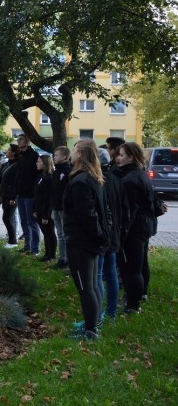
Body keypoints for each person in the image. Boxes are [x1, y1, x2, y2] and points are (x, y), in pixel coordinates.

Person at [63, 141, 110, 340]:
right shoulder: (92, 177)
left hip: (82, 241)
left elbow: (88, 214)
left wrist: (98, 235)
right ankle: (94, 324)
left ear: (80, 154)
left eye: (74, 150)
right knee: (91, 285)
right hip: (89, 240)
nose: (71, 154)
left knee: (86, 287)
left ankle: (91, 331)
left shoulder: (81, 180)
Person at [113, 141, 157, 314]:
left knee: (131, 268)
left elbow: (128, 212)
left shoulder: (131, 180)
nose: (118, 158)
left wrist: (121, 237)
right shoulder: (139, 173)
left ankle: (132, 305)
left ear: (131, 157)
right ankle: (137, 297)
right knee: (139, 265)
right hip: (143, 226)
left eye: (121, 155)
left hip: (135, 229)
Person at [94, 145, 127, 321]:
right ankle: (111, 312)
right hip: (114, 232)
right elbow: (124, 207)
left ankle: (97, 315)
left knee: (100, 274)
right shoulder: (116, 178)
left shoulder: (99, 180)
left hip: (104, 233)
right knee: (111, 272)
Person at [16, 134, 40, 255]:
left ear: (27, 141)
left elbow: (36, 175)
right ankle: (27, 244)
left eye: (20, 140)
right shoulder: (21, 156)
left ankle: (35, 248)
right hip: (21, 194)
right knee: (23, 221)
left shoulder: (34, 155)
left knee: (32, 222)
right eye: (18, 140)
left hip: (30, 194)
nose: (18, 142)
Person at [50, 146, 72, 268]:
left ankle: (68, 260)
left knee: (65, 234)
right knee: (59, 233)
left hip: (64, 208)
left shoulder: (68, 171)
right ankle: (62, 258)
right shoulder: (55, 171)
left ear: (64, 157)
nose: (54, 157)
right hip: (55, 207)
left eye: (57, 155)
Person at [33, 154, 57, 262]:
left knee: (49, 233)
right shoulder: (40, 176)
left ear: (45, 163)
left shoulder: (49, 178)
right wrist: (35, 210)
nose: (36, 163)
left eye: (39, 161)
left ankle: (51, 254)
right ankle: (47, 253)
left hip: (45, 211)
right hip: (39, 210)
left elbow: (49, 198)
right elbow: (37, 195)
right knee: (45, 233)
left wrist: (45, 215)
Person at [0, 144, 20, 249]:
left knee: (7, 218)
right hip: (5, 195)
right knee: (7, 218)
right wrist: (1, 195)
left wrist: (14, 198)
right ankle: (11, 239)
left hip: (11, 196)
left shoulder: (17, 165)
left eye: (9, 150)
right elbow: (2, 180)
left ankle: (13, 241)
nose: (6, 151)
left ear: (13, 153)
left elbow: (16, 183)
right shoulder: (6, 164)